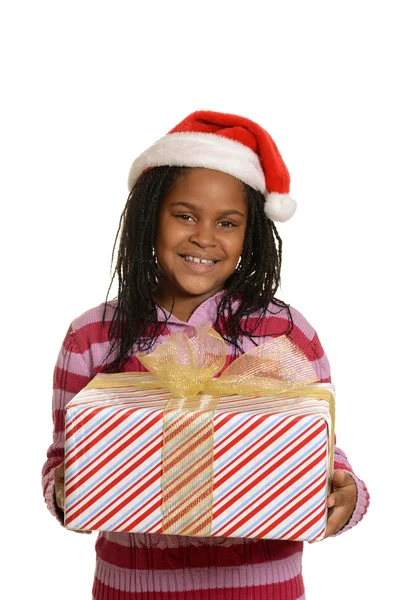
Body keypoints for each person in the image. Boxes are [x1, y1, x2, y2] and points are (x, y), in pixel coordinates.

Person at [42, 110, 369, 599]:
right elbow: (62, 459)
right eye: (185, 215)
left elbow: (320, 446)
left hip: (264, 587)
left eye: (227, 222)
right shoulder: (93, 334)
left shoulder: (285, 331)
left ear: (249, 234)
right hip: (133, 589)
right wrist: (69, 492)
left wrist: (348, 493)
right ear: (152, 216)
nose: (204, 237)